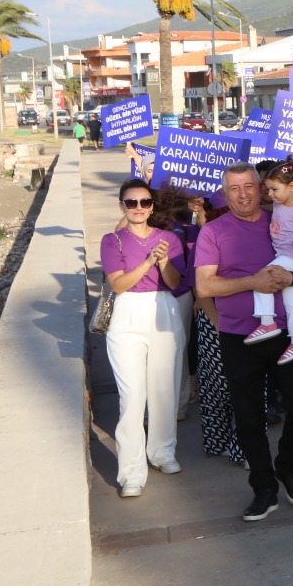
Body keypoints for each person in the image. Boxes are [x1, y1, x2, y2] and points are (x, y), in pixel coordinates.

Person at [195, 163, 293, 521]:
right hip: (239, 337)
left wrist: (292, 276)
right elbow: (204, 287)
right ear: (225, 192)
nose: (244, 194)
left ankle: (288, 467)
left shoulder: (279, 219)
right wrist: (253, 283)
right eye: (235, 189)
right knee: (248, 418)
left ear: (261, 188)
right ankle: (264, 487)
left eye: (249, 186)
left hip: (285, 334)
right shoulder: (214, 232)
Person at [100, 178, 185, 498]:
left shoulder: (168, 239)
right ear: (122, 206)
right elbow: (119, 285)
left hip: (163, 308)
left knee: (164, 389)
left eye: (144, 202)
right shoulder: (112, 241)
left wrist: (163, 261)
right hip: (128, 315)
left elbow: (176, 282)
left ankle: (163, 452)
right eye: (131, 203)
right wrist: (148, 261)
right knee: (132, 395)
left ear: (152, 206)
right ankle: (131, 472)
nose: (138, 208)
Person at [244, 160, 293, 363]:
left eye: (274, 189)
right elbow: (271, 205)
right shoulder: (279, 203)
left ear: (292, 187)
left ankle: (267, 321)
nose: (270, 194)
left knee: (266, 275)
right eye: (268, 189)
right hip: (287, 256)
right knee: (291, 300)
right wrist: (257, 206)